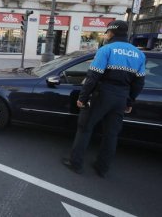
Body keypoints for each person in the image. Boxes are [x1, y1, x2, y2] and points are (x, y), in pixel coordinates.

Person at [62, 20, 146, 178]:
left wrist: (83, 97)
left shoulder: (106, 49)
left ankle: (76, 163)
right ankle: (102, 168)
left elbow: (93, 76)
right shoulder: (139, 54)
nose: (106, 35)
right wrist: (129, 101)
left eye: (107, 32)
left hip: (103, 94)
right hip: (122, 96)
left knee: (85, 128)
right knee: (111, 134)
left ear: (112, 32)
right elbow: (139, 83)